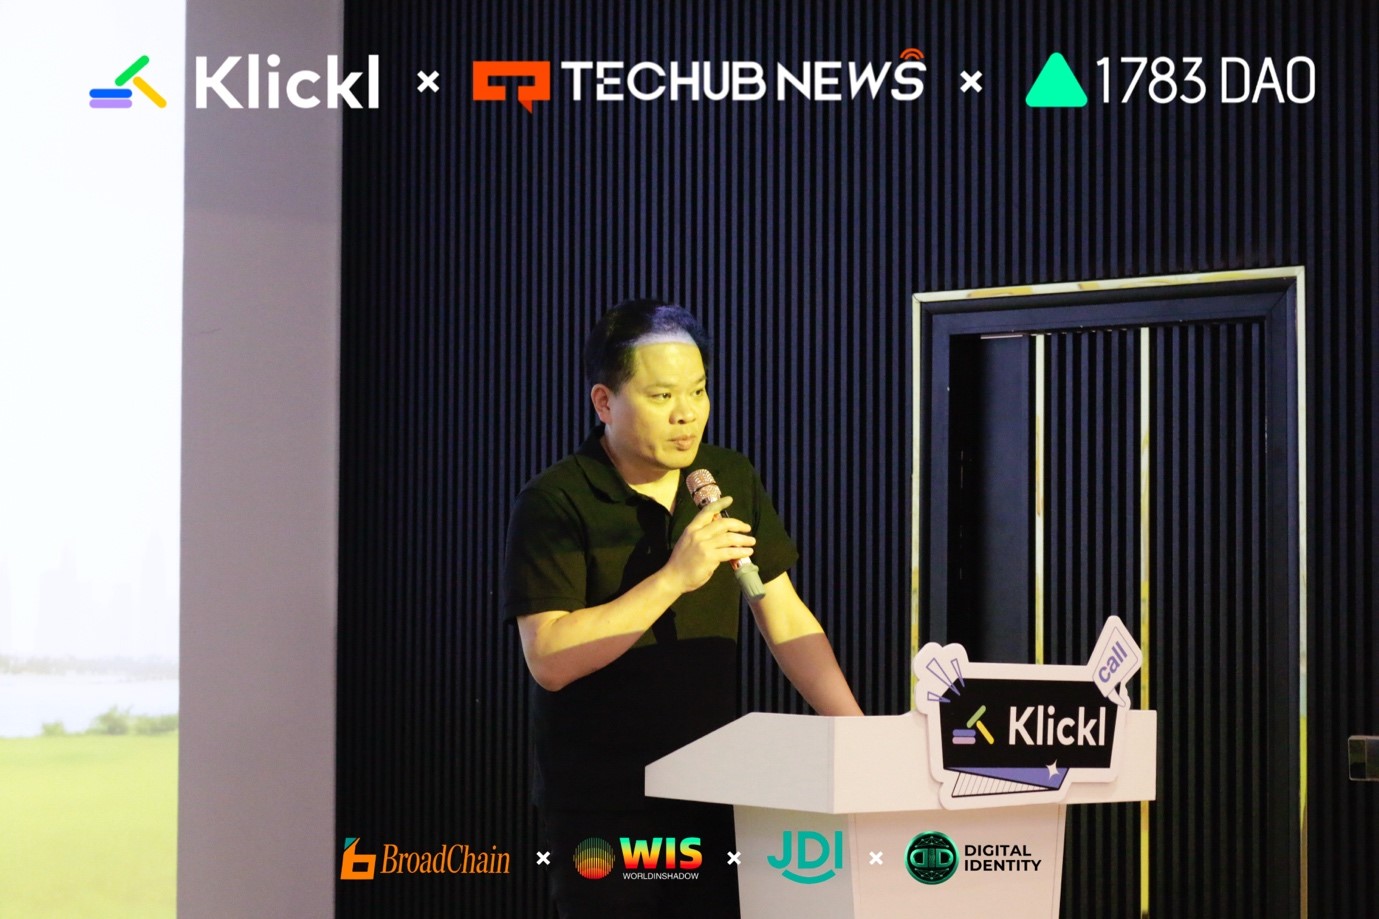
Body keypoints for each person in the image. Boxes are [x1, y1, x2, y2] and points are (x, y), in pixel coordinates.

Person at [501, 299, 862, 918]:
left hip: (712, 788)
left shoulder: (726, 476)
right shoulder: (555, 501)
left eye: (698, 391)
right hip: (607, 805)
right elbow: (550, 659)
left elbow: (781, 611)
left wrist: (858, 735)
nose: (687, 413)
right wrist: (674, 578)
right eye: (663, 396)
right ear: (604, 402)